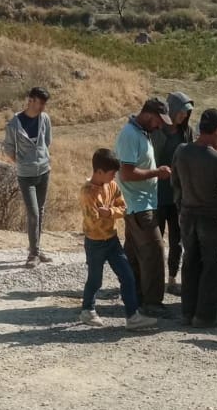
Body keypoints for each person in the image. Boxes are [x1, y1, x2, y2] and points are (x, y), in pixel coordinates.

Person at [171, 108, 217, 328]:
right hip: (213, 218)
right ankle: (205, 316)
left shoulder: (181, 151)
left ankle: (187, 313)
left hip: (187, 215)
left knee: (190, 263)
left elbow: (175, 182)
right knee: (214, 267)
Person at [79, 149, 153, 330]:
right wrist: (109, 213)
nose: (114, 177)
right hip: (95, 242)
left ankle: (132, 316)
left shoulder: (112, 185)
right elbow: (94, 220)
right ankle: (87, 309)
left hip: (112, 240)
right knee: (95, 279)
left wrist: (110, 212)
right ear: (99, 172)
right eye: (111, 174)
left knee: (127, 276)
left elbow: (124, 208)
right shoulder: (87, 193)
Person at [115, 98, 173, 315]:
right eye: (159, 121)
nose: (159, 126)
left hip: (139, 203)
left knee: (134, 253)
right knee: (155, 252)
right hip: (138, 205)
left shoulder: (141, 133)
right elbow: (127, 173)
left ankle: (134, 298)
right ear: (149, 115)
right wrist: (157, 173)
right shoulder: (130, 135)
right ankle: (152, 303)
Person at [4, 87, 53, 268]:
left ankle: (37, 249)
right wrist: (22, 162)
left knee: (40, 211)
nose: (43, 107)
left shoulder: (45, 119)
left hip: (44, 171)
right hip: (26, 175)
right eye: (40, 103)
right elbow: (9, 147)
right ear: (31, 100)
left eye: (44, 104)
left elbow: (47, 141)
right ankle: (33, 254)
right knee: (32, 213)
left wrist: (41, 159)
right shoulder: (14, 123)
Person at [154, 91, 194, 295]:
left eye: (187, 113)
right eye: (182, 112)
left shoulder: (186, 132)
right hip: (157, 195)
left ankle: (172, 279)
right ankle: (154, 280)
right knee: (156, 239)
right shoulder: (157, 131)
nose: (184, 116)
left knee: (177, 240)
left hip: (178, 195)